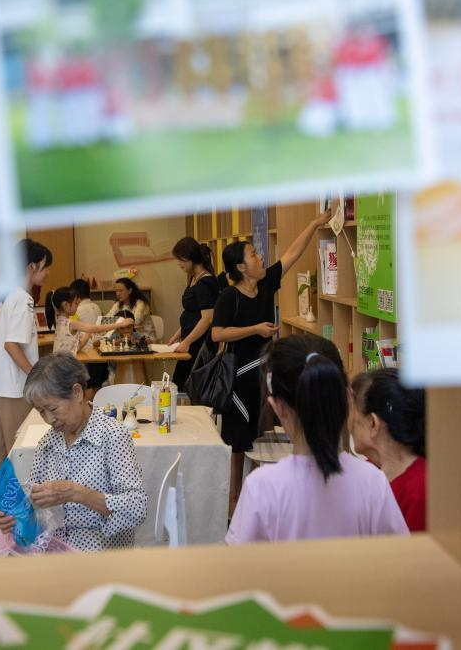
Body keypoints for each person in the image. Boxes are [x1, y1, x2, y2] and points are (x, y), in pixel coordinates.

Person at [225, 334, 408, 544]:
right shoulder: (373, 482)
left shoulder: (261, 487)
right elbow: (401, 556)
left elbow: (239, 561)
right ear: (348, 397)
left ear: (277, 406)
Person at [212, 203, 335, 505]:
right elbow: (218, 334)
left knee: (261, 436)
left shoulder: (266, 282)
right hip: (239, 378)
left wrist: (315, 223)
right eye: (253, 255)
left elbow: (293, 251)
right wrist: (255, 329)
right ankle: (234, 501)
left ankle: (262, 497)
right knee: (238, 443)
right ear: (241, 268)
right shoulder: (228, 296)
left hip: (264, 374)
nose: (260, 257)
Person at [0, 353, 148, 551]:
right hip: (53, 550)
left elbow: (137, 508)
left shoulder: (112, 436)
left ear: (77, 393)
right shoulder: (48, 442)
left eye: (53, 408)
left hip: (100, 555)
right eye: (41, 411)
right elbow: (34, 507)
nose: (49, 419)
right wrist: (9, 514)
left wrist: (76, 493)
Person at [0, 239, 52, 496]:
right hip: (13, 390)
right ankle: (20, 507)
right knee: (20, 452)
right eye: (45, 267)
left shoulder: (8, 296)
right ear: (31, 267)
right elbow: (12, 345)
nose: (47, 272)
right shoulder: (23, 300)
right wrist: (36, 376)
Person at [349, 369, 427, 532]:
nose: (349, 426)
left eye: (354, 418)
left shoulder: (419, 491)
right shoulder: (368, 472)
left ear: (373, 424)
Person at [167, 237, 220, 389]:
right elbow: (191, 314)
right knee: (179, 384)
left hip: (199, 343)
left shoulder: (206, 282)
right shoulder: (194, 278)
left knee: (185, 386)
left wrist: (187, 342)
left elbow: (207, 319)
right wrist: (177, 336)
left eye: (180, 259)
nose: (179, 264)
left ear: (190, 257)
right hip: (190, 340)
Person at [52, 287, 132, 356]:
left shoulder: (59, 321)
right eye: (75, 303)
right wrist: (120, 324)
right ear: (66, 305)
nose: (77, 305)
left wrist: (87, 335)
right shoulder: (71, 323)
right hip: (64, 365)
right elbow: (94, 328)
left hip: (60, 363)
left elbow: (75, 347)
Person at [70, 278, 108, 393]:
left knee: (89, 387)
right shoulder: (96, 306)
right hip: (99, 349)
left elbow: (72, 332)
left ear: (76, 296)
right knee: (98, 386)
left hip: (86, 352)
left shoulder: (77, 310)